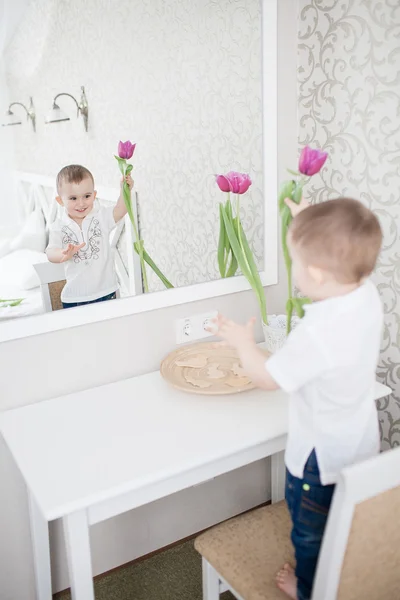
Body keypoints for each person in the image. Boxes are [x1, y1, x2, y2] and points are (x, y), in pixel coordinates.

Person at [212, 196, 383, 600]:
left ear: (318, 274)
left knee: (309, 532)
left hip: (317, 460)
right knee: (343, 522)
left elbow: (268, 378)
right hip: (358, 442)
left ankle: (308, 589)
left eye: (297, 263)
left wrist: (242, 343)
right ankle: (335, 571)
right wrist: (309, 219)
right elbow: (343, 250)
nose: (295, 274)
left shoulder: (319, 332)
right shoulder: (366, 295)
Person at [46, 164, 133, 308]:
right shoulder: (58, 227)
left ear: (94, 195)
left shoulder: (101, 217)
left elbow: (120, 209)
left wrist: (126, 190)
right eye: (73, 198)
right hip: (74, 298)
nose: (81, 203)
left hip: (107, 292)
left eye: (86, 196)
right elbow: (50, 252)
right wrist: (63, 254)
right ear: (60, 201)